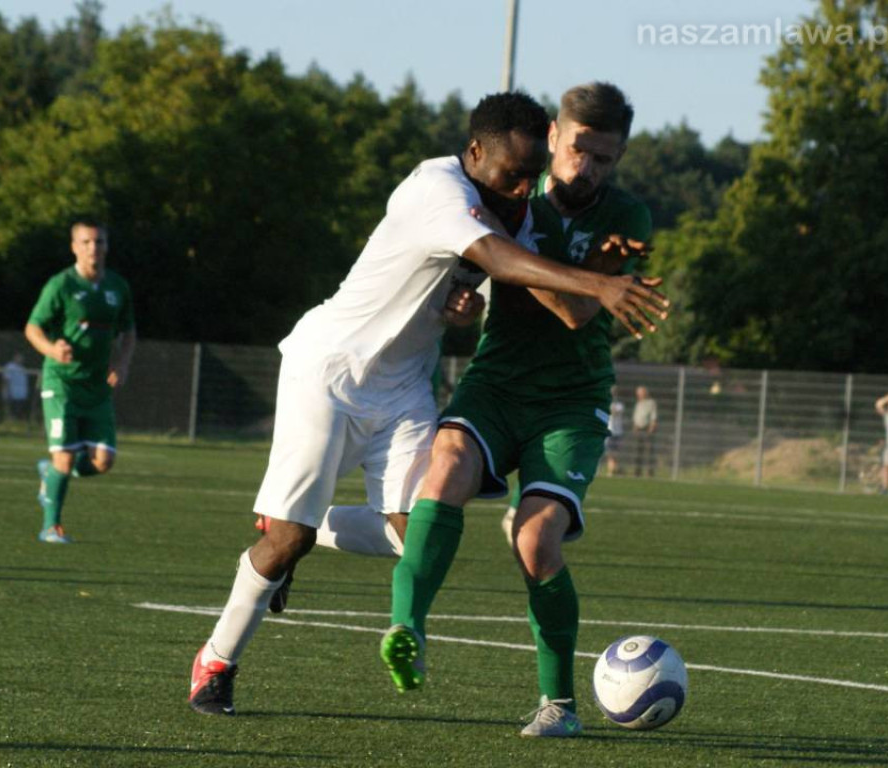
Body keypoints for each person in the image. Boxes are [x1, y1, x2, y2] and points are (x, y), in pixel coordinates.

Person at [187, 91, 670, 717]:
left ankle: (308, 528)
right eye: (511, 175)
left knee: (413, 533)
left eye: (529, 180)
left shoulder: (520, 213)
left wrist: (479, 306)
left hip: (406, 387)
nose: (523, 191)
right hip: (328, 369)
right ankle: (217, 662)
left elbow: (537, 292)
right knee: (284, 541)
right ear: (474, 153)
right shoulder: (435, 187)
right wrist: (601, 281)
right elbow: (495, 257)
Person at [382, 82, 657, 738]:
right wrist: (466, 298)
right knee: (443, 465)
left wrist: (522, 265)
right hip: (496, 383)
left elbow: (578, 311)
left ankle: (558, 704)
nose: (587, 168)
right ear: (555, 137)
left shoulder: (628, 217)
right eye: (580, 150)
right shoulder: (509, 188)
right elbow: (470, 266)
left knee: (535, 539)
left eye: (605, 159)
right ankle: (407, 629)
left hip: (572, 402)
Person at [24, 218, 136, 544]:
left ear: (107, 246)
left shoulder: (117, 287)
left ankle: (51, 473)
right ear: (74, 247)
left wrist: (122, 362)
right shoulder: (61, 285)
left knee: (103, 461)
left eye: (99, 242)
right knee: (66, 456)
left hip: (97, 387)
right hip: (62, 384)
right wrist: (52, 349)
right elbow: (33, 328)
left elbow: (129, 331)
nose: (93, 248)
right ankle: (50, 526)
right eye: (86, 242)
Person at [632, 385, 657, 477]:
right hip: (639, 428)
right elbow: (636, 416)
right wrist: (635, 426)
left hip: (647, 429)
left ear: (645, 393)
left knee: (649, 452)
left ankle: (650, 473)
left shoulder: (651, 403)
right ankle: (637, 472)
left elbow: (653, 416)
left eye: (641, 393)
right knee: (638, 452)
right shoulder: (638, 403)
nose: (639, 395)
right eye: (638, 394)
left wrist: (652, 426)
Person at [1, 352, 31, 421]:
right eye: (18, 357)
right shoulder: (10, 367)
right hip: (12, 393)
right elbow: (6, 379)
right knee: (11, 410)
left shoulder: (23, 368)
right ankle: (9, 421)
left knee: (19, 409)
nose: (20, 359)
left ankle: (16, 421)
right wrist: (7, 391)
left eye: (21, 358)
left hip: (21, 394)